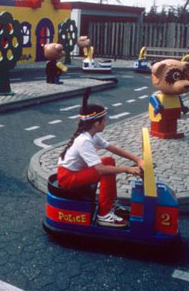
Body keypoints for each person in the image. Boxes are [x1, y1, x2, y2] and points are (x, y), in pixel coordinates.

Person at [57, 91, 143, 228]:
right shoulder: (85, 141)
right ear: (97, 123)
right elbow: (100, 170)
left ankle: (111, 204)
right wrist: (128, 169)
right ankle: (104, 215)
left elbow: (112, 148)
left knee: (108, 160)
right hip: (67, 177)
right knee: (106, 170)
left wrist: (137, 159)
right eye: (104, 120)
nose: (106, 123)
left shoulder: (91, 134)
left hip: (72, 171)